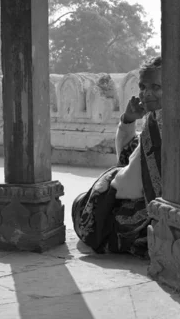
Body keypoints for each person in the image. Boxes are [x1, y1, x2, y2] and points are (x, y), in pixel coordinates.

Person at [72, 56, 163, 259]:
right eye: (142, 86)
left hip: (154, 214)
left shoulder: (157, 125)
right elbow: (131, 154)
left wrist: (110, 182)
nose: (146, 93)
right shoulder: (161, 120)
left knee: (84, 206)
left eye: (156, 87)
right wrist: (128, 120)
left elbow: (126, 185)